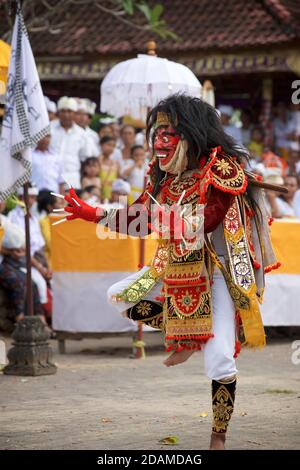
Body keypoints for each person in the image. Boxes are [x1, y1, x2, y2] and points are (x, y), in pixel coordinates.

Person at [62, 94, 279, 450]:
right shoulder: (162, 177)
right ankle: (187, 332)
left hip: (220, 273)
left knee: (221, 359)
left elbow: (206, 221)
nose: (159, 143)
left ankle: (218, 435)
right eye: (156, 135)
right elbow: (138, 220)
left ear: (192, 135)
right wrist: (92, 213)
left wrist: (163, 218)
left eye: (169, 134)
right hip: (177, 267)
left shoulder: (223, 168)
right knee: (118, 295)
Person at [49, 96, 92, 188]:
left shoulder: (81, 134)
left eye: (69, 111)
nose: (66, 115)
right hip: (50, 177)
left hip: (72, 179)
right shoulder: (49, 129)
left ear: (74, 114)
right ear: (58, 113)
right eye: (63, 111)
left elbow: (85, 159)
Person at [99, 136, 120, 201]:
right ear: (101, 145)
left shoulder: (116, 163)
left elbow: (118, 179)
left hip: (113, 196)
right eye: (108, 145)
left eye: (113, 146)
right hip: (100, 194)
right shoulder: (96, 161)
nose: (111, 148)